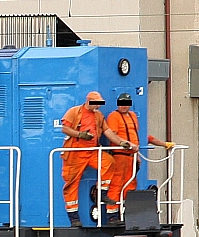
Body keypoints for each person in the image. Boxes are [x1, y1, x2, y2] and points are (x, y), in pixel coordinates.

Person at [101, 93, 175, 221]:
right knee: (116, 184)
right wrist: (127, 145)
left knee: (130, 185)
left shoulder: (133, 116)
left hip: (131, 157)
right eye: (121, 103)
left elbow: (141, 136)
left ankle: (127, 214)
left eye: (126, 103)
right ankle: (112, 216)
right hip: (119, 155)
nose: (124, 106)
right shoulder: (114, 116)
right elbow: (112, 136)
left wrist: (164, 144)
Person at [59, 91, 125, 227]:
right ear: (89, 101)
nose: (98, 106)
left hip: (93, 151)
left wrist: (121, 142)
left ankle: (101, 193)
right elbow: (65, 129)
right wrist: (80, 135)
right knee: (71, 185)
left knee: (109, 162)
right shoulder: (74, 112)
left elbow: (107, 131)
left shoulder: (98, 115)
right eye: (97, 103)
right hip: (75, 154)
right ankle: (74, 218)